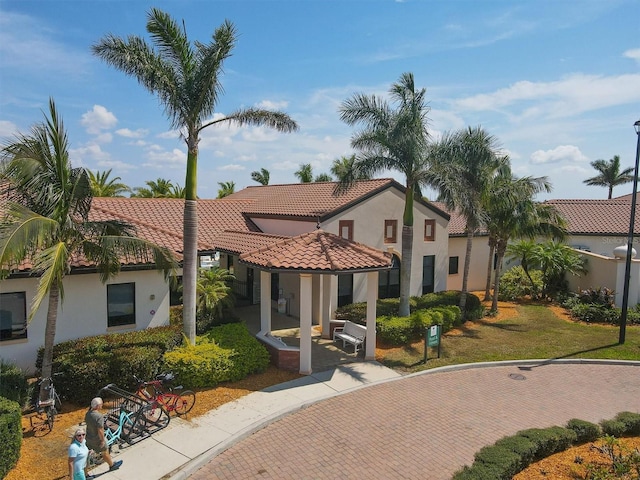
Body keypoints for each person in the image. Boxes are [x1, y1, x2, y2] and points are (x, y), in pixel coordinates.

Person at [84, 397, 123, 472]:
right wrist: (102, 440)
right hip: (97, 439)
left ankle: (85, 474)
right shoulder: (98, 416)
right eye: (101, 405)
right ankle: (112, 466)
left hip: (89, 437)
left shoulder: (88, 414)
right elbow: (100, 430)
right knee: (105, 452)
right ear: (97, 406)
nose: (102, 406)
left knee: (87, 456)